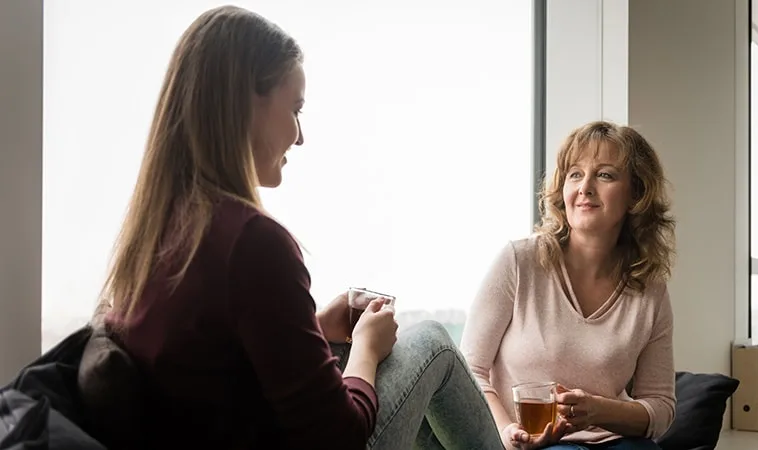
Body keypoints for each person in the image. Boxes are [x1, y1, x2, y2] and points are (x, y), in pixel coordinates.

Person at [96, 5, 503, 450]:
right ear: (244, 105)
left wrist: (310, 326)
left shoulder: (157, 233)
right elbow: (338, 438)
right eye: (295, 109)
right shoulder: (252, 242)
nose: (300, 135)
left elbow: (218, 362)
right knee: (431, 344)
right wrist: (365, 347)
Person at [460, 121, 677, 450]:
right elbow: (471, 370)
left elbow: (660, 407)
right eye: (575, 174)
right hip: (529, 444)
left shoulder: (650, 289)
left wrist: (599, 411)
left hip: (617, 443)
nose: (585, 188)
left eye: (605, 175)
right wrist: (507, 433)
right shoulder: (519, 261)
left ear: (636, 193)